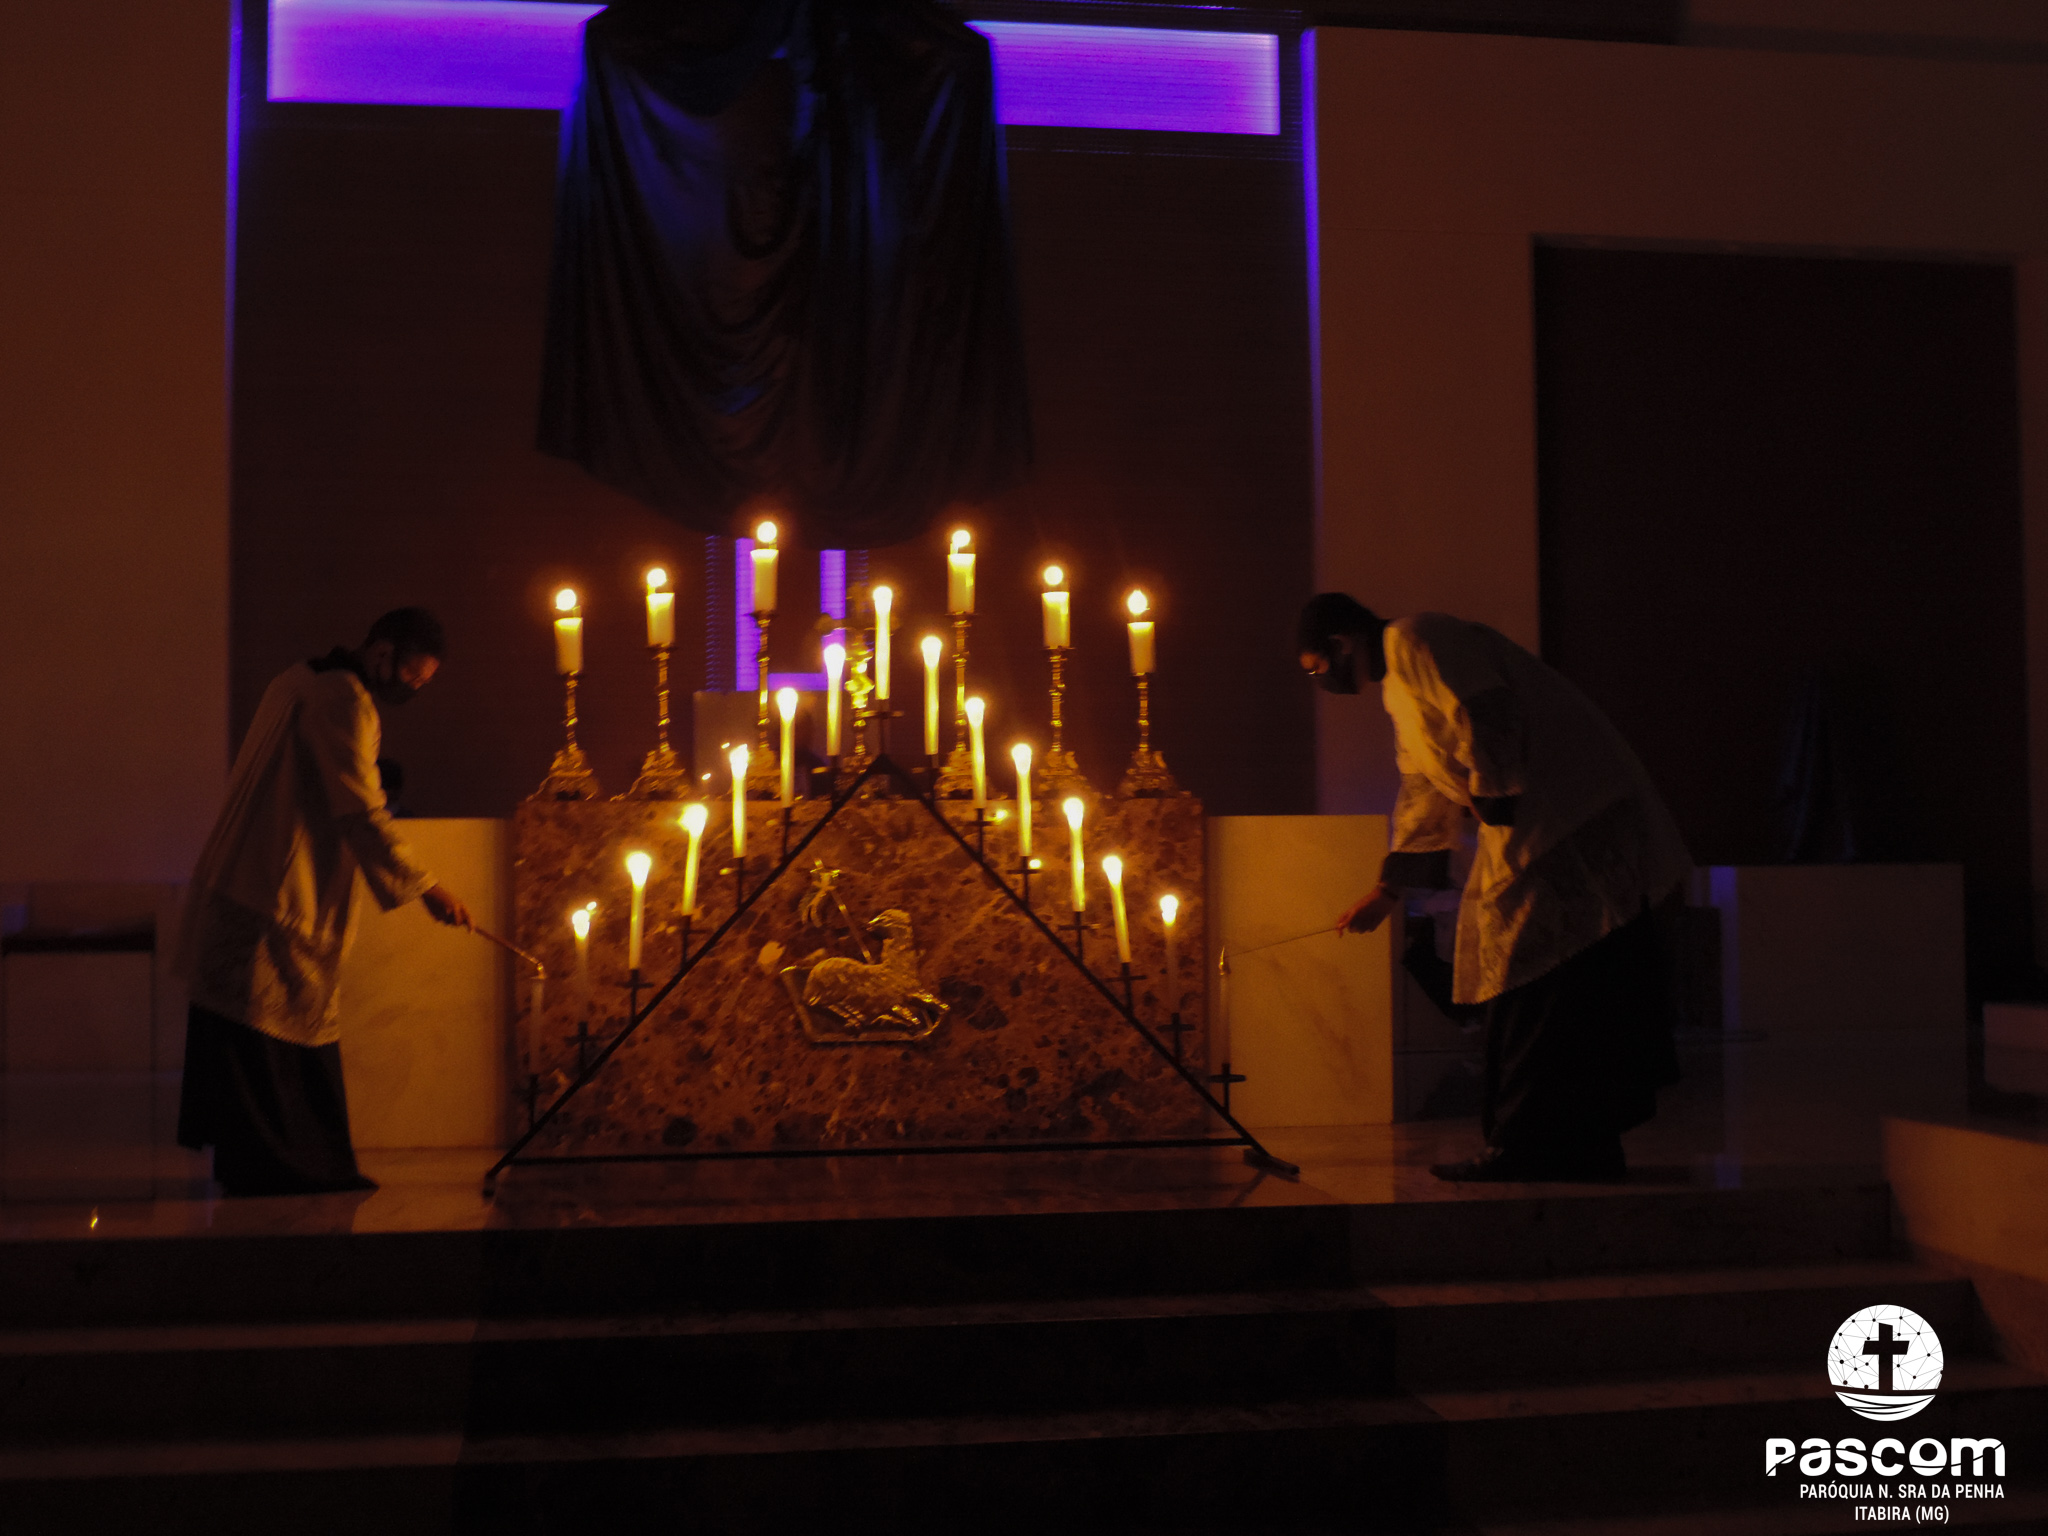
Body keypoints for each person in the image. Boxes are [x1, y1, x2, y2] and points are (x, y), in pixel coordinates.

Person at [1300, 593, 1689, 1182]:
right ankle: (1579, 1144)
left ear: (1340, 643)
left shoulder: (1416, 638)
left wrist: (1493, 794)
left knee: (1529, 978)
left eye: (1316, 669)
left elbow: (1485, 709)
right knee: (1554, 978)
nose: (1322, 683)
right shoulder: (1397, 690)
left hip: (1563, 818)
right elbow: (1423, 791)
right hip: (1532, 825)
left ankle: (1522, 1143)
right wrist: (1387, 893)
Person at [175, 608, 472, 1196]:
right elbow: (360, 809)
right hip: (276, 892)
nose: (411, 690)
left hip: (242, 876)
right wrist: (426, 888)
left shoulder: (296, 678)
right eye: (410, 677)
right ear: (382, 652)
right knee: (275, 1041)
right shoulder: (343, 700)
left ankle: (252, 1165)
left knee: (252, 1036)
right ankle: (293, 1167)